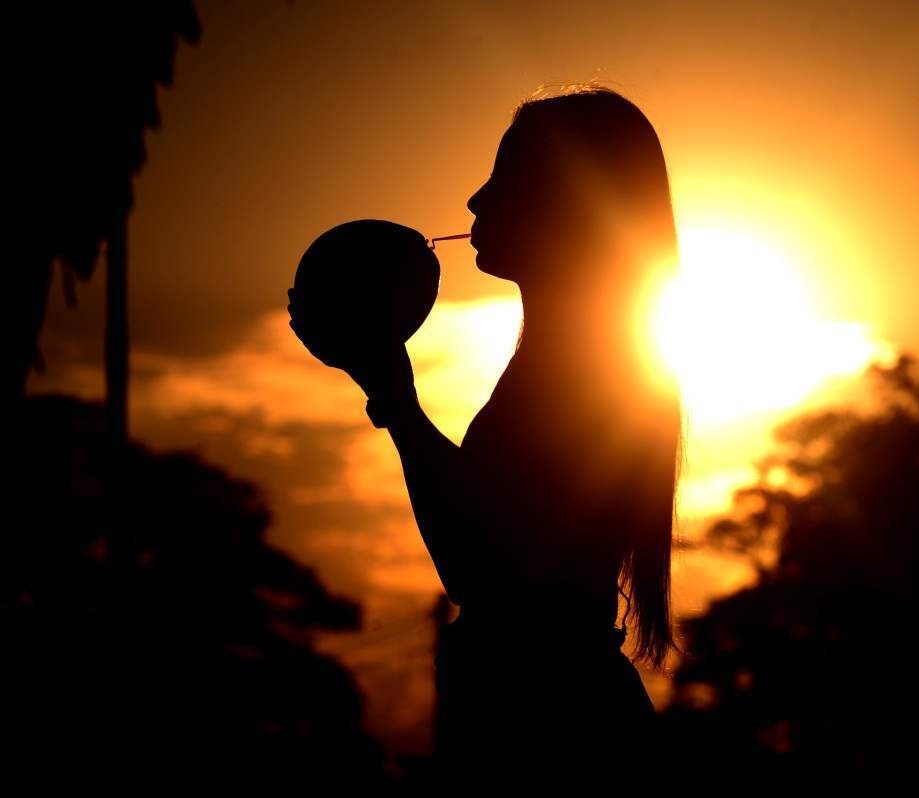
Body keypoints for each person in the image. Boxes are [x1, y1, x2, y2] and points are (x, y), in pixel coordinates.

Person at [290, 86, 683, 788]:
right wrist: (390, 387)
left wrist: (393, 394)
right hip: (564, 714)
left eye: (504, 179)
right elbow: (488, 533)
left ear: (564, 206)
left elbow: (483, 573)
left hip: (549, 731)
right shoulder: (583, 360)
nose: (474, 200)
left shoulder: (582, 372)